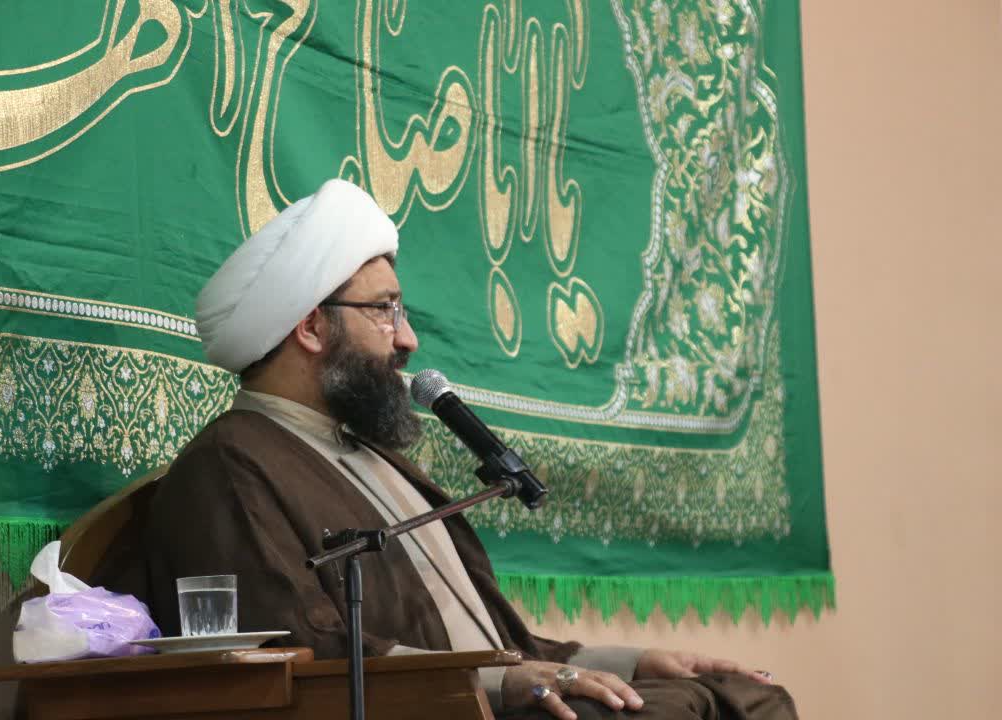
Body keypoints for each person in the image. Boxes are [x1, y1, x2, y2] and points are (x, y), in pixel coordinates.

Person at [133, 179, 797, 719]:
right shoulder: (230, 467)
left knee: (740, 696)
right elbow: (304, 654)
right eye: (384, 310)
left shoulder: (366, 456)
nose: (407, 339)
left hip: (494, 699)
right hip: (436, 710)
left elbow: (504, 646)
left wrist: (632, 661)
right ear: (310, 327)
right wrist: (506, 685)